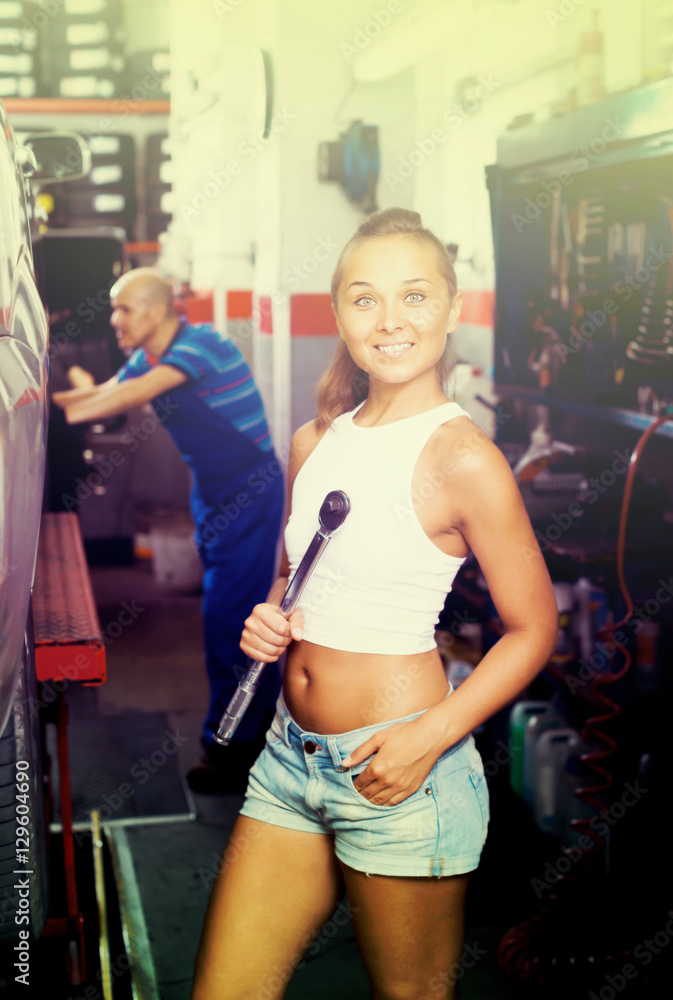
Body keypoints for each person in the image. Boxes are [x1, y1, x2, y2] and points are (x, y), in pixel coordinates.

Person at [189, 209, 558, 1000]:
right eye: (365, 299)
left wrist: (429, 738)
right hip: (289, 761)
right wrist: (269, 618)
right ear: (339, 314)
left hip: (400, 771)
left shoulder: (464, 458)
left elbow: (534, 630)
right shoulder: (313, 441)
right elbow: (295, 579)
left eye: (414, 296)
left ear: (453, 308)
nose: (390, 321)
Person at [52, 268, 284, 793]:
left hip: (248, 492)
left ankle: (233, 746)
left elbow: (114, 402)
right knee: (227, 616)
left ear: (156, 311)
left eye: (123, 309)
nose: (114, 320)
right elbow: (100, 395)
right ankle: (256, 729)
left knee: (232, 621)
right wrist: (29, 402)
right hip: (213, 491)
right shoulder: (149, 356)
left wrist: (40, 407)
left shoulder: (200, 348)